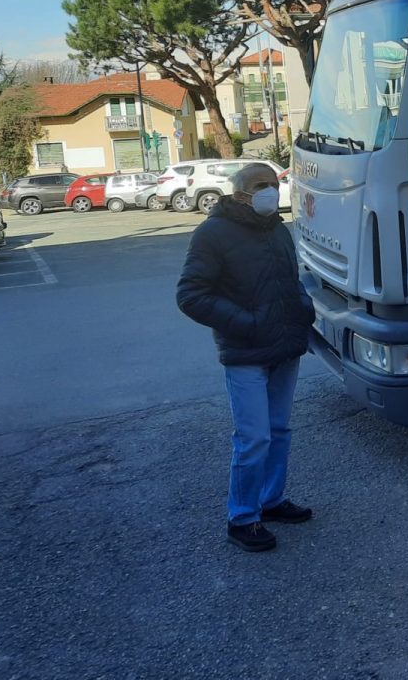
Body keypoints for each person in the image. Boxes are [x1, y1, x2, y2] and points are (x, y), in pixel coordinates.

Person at [177, 163, 314, 552]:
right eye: (261, 186)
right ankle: (243, 517)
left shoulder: (277, 228)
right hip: (246, 352)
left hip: (285, 347)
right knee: (253, 438)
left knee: (279, 431)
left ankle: (270, 501)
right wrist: (248, 324)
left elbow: (290, 280)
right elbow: (190, 295)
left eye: (274, 184)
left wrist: (303, 309)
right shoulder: (212, 234)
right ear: (239, 194)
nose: (271, 191)